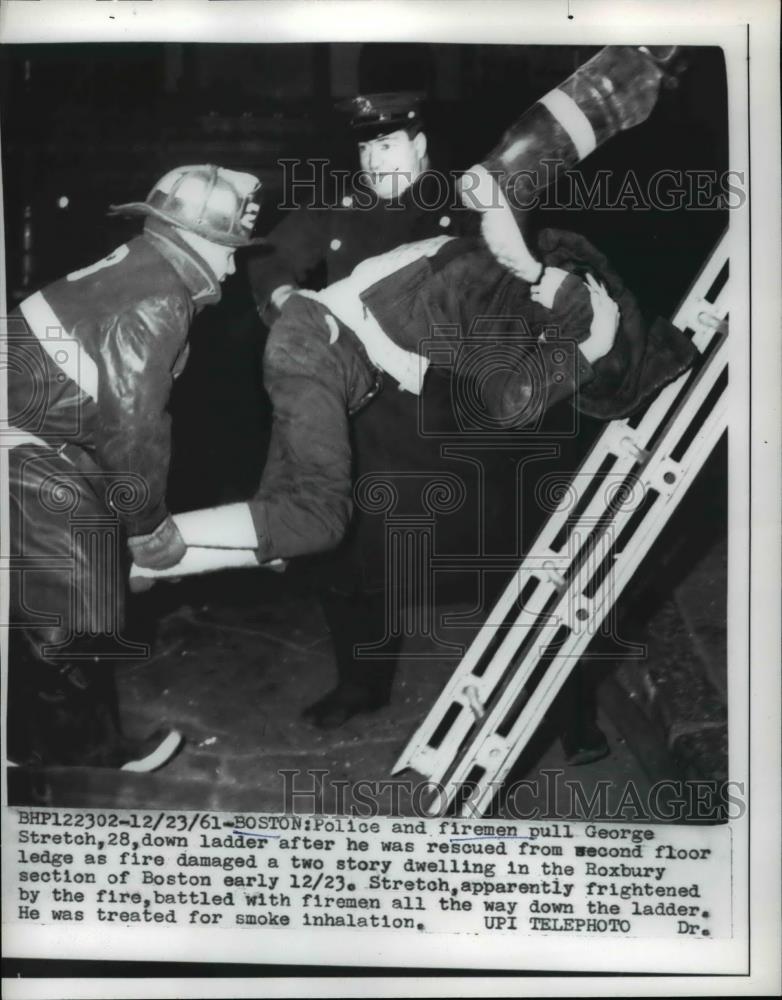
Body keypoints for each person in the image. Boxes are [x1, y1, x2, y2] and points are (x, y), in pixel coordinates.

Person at [6, 164, 264, 770]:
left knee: (78, 593)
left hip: (44, 429)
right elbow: (133, 428)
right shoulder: (161, 297)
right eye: (228, 248)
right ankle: (66, 753)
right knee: (74, 613)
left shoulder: (135, 262)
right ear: (193, 237)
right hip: (25, 436)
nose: (232, 265)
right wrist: (148, 530)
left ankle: (36, 738)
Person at [246, 92, 483, 731]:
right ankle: (362, 682)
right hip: (361, 409)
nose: (374, 159)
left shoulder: (467, 204)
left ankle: (547, 700)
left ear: (421, 144)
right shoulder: (339, 204)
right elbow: (270, 256)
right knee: (347, 548)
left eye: (387, 144)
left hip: (449, 409)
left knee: (488, 548)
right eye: (365, 147)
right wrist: (287, 296)